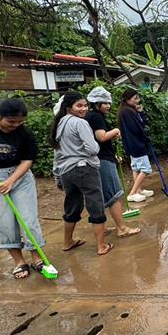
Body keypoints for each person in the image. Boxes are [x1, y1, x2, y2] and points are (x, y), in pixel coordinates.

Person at [50, 92, 112, 256]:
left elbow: (57, 154)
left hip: (66, 171)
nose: (83, 109)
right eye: (79, 105)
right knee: (95, 204)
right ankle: (101, 245)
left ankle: (67, 242)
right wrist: (94, 149)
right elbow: (93, 148)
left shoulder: (59, 123)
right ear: (69, 107)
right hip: (84, 168)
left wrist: (57, 176)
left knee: (72, 206)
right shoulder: (80, 123)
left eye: (85, 105)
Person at [0, 99, 46, 278]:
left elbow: (27, 159)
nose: (16, 125)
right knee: (4, 223)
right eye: (11, 121)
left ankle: (37, 258)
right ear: (0, 117)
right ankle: (19, 261)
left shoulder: (24, 134)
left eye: (20, 121)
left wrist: (11, 180)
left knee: (28, 219)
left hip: (20, 177)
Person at [85, 87, 141, 239]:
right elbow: (101, 136)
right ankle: (122, 228)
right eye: (105, 103)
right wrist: (116, 131)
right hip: (103, 159)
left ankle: (102, 228)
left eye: (109, 103)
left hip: (99, 158)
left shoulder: (91, 116)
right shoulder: (95, 117)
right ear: (96, 103)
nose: (108, 106)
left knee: (102, 195)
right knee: (114, 194)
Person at [118, 88, 153, 203]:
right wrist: (145, 138)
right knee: (146, 169)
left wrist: (140, 112)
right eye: (135, 98)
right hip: (137, 144)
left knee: (136, 168)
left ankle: (138, 190)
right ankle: (132, 193)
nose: (137, 101)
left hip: (131, 144)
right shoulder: (128, 111)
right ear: (127, 99)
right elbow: (139, 127)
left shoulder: (126, 110)